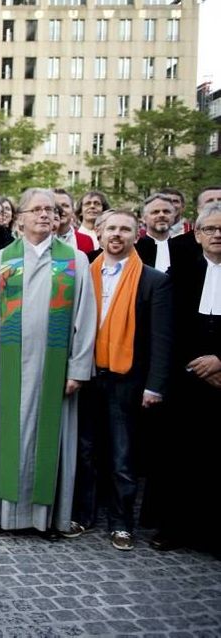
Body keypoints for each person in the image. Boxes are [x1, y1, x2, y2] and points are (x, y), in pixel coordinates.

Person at [0, 187, 96, 537]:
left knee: (50, 442)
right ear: (19, 218)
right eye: (37, 209)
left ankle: (48, 519)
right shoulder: (2, 260)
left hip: (54, 370)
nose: (45, 215)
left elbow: (86, 318)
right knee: (2, 441)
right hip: (7, 368)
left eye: (51, 210)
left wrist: (78, 368)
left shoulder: (74, 260)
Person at [67, 210, 171, 551]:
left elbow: (161, 339)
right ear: (98, 232)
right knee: (84, 450)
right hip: (87, 373)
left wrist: (154, 385)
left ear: (136, 234)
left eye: (125, 229)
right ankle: (82, 514)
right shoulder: (82, 272)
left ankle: (121, 523)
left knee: (122, 456)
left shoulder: (153, 280)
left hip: (127, 378)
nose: (117, 234)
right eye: (111, 228)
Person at [149, 202, 221, 557]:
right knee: (179, 457)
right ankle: (174, 528)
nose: (217, 235)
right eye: (210, 229)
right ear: (198, 235)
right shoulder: (182, 273)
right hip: (185, 377)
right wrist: (197, 365)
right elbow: (168, 327)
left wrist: (220, 361)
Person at [136, 193, 178, 272]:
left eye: (166, 211)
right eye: (155, 212)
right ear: (144, 218)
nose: (161, 215)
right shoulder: (134, 249)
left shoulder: (185, 249)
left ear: (174, 216)